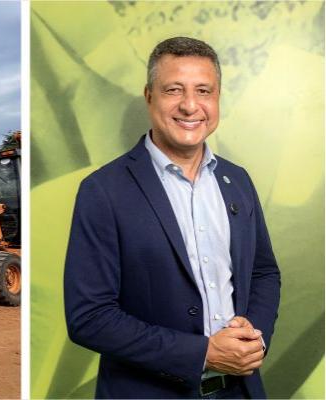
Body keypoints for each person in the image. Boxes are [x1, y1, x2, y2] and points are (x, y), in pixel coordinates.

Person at [64, 36, 280, 398]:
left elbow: (264, 272)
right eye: (174, 90)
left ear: (217, 98)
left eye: (203, 91)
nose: (190, 106)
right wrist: (203, 354)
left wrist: (252, 341)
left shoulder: (237, 180)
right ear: (150, 96)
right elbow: (90, 316)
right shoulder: (103, 190)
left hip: (241, 391)